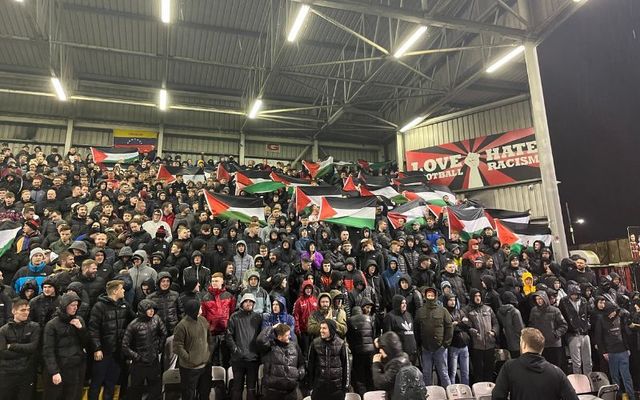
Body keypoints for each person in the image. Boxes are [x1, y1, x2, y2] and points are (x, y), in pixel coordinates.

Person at [492, 327, 578, 400]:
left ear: (524, 345)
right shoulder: (556, 372)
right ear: (542, 348)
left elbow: (497, 397)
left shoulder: (509, 367)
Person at [88, 279, 134, 400]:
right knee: (96, 382)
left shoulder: (124, 304)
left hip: (118, 352)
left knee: (111, 382)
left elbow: (133, 320)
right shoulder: (99, 306)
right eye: (121, 288)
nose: (124, 290)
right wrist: (97, 348)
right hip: (103, 351)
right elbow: (93, 329)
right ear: (115, 291)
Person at [42, 292, 88, 400]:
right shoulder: (52, 325)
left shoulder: (79, 320)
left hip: (75, 368)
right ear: (65, 305)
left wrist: (81, 329)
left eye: (77, 305)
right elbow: (48, 350)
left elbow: (86, 343)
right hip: (59, 368)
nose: (75, 308)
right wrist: (54, 372)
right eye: (72, 305)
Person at [122, 299, 168, 400]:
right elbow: (125, 345)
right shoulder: (133, 325)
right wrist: (137, 357)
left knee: (156, 389)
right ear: (143, 310)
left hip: (153, 361)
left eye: (153, 309)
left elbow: (164, 333)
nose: (151, 311)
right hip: (139, 364)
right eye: (148, 309)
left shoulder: (156, 319)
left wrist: (158, 348)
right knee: (135, 390)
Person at [593, 301, 636, 400]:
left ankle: (631, 397)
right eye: (611, 312)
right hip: (611, 352)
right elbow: (599, 338)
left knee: (626, 376)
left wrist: (627, 348)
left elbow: (624, 333)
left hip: (622, 351)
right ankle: (618, 397)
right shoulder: (601, 320)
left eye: (614, 311)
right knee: (615, 377)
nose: (613, 313)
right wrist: (603, 352)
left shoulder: (619, 317)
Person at [0, 299, 41, 400]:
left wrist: (12, 346)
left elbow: (33, 347)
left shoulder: (34, 327)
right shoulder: (3, 330)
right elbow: (3, 353)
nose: (26, 312)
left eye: (28, 309)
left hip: (26, 373)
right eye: (23, 310)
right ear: (14, 311)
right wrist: (25, 351)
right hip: (7, 373)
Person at [173, 298, 213, 400]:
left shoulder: (203, 320)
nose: (201, 310)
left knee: (205, 394)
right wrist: (190, 359)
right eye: (199, 308)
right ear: (193, 309)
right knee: (189, 395)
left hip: (205, 366)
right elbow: (177, 347)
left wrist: (208, 353)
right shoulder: (181, 326)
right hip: (189, 369)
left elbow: (209, 338)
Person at [226, 293, 262, 400]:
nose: (249, 303)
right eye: (246, 301)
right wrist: (235, 350)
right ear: (242, 303)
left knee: (251, 389)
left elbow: (261, 337)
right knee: (237, 388)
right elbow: (228, 336)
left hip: (253, 359)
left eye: (251, 301)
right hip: (238, 359)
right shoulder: (234, 317)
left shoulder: (258, 318)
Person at [415, 286, 453, 387]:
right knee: (426, 374)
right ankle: (428, 395)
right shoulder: (420, 311)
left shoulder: (443, 311)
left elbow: (449, 327)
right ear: (425, 296)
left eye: (432, 295)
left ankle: (449, 394)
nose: (430, 297)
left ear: (435, 296)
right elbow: (416, 329)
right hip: (426, 349)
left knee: (444, 374)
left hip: (440, 349)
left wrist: (445, 344)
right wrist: (419, 345)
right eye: (428, 295)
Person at [256, 323, 305, 400]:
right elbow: (260, 340)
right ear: (279, 337)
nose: (290, 336)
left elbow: (301, 363)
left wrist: (299, 374)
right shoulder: (270, 346)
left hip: (291, 390)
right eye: (287, 335)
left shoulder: (294, 346)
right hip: (272, 391)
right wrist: (271, 328)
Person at [308, 319, 349, 400]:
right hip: (319, 388)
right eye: (321, 328)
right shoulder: (315, 343)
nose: (321, 331)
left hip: (337, 389)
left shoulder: (341, 344)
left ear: (331, 329)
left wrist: (345, 387)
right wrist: (311, 386)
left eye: (324, 328)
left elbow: (346, 366)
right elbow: (310, 366)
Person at [465, 288, 499, 383]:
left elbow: (496, 322)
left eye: (479, 296)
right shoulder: (467, 310)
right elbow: (465, 326)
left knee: (489, 369)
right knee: (478, 371)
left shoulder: (488, 309)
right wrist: (472, 331)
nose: (478, 298)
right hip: (476, 345)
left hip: (490, 344)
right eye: (475, 296)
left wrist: (494, 332)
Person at [528, 290, 568, 369]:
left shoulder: (555, 310)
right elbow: (531, 325)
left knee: (555, 368)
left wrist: (555, 334)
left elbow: (564, 325)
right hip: (541, 345)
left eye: (540, 299)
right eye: (537, 299)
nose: (538, 301)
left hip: (554, 344)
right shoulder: (533, 311)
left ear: (545, 298)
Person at [558, 284, 592, 374]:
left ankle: (589, 381)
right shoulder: (563, 301)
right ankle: (579, 383)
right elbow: (562, 317)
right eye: (572, 294)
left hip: (585, 333)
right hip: (572, 334)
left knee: (588, 361)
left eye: (576, 294)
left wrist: (587, 324)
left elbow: (588, 314)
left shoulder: (584, 301)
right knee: (576, 363)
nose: (574, 296)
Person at [371, 331, 412, 399]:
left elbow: (380, 383)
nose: (380, 351)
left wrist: (376, 364)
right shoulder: (403, 357)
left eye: (382, 348)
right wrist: (379, 341)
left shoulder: (397, 364)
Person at [347, 303, 376, 395]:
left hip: (358, 352)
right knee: (370, 373)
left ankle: (362, 395)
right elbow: (373, 334)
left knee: (360, 376)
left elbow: (349, 337)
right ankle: (372, 393)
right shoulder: (369, 319)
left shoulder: (350, 321)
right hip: (370, 350)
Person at [383, 294, 418, 363]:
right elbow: (388, 336)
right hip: (399, 355)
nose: (404, 305)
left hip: (412, 352)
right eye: (402, 303)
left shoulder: (408, 315)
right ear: (397, 304)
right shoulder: (390, 317)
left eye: (405, 303)